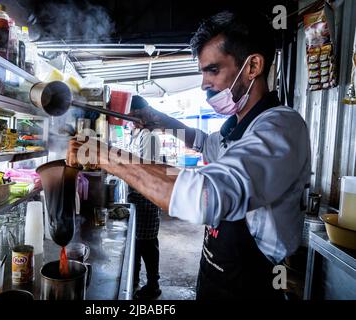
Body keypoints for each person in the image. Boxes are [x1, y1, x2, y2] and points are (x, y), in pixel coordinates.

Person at [67, 10, 311, 299]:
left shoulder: (281, 127)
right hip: (214, 275)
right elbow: (206, 143)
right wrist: (163, 120)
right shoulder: (237, 126)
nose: (204, 83)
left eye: (213, 70)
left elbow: (205, 196)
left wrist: (105, 155)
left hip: (253, 285)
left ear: (252, 66)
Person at [126, 95, 162, 300]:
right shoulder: (138, 133)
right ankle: (136, 280)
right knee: (140, 243)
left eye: (133, 116)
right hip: (138, 194)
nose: (131, 120)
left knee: (147, 243)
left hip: (146, 196)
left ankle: (152, 285)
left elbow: (146, 169)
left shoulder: (149, 136)